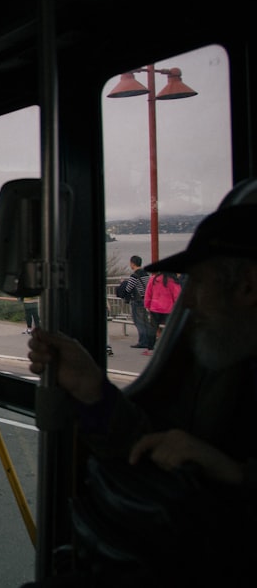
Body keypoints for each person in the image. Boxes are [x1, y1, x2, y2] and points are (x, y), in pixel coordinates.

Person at [24, 202, 257, 587]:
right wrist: (92, 388)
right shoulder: (225, 367)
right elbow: (152, 450)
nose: (189, 301)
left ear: (248, 285)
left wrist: (231, 473)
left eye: (198, 283)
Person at [116, 255, 154, 351]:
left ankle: (143, 341)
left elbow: (129, 288)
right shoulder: (146, 274)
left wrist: (123, 283)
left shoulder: (134, 275)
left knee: (139, 321)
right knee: (145, 321)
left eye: (130, 263)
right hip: (145, 299)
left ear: (133, 263)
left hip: (137, 300)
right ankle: (149, 340)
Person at [144, 270, 181, 349]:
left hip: (155, 307)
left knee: (153, 328)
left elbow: (148, 293)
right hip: (168, 308)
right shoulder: (173, 281)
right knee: (169, 328)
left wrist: (147, 305)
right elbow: (177, 296)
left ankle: (150, 347)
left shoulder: (153, 279)